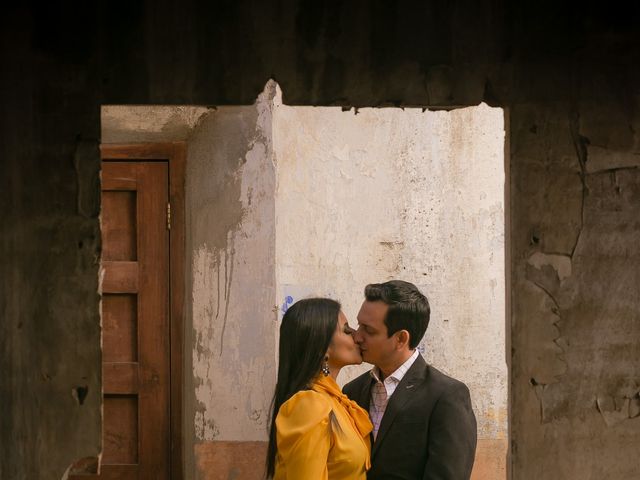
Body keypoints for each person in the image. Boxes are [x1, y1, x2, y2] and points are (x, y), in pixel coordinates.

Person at [343, 280, 477, 479]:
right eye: (358, 325)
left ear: (401, 339)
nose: (357, 337)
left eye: (369, 330)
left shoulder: (446, 396)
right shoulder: (352, 391)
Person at [266, 298, 373, 479]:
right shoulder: (309, 404)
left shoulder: (338, 401)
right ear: (322, 347)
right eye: (346, 330)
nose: (356, 336)